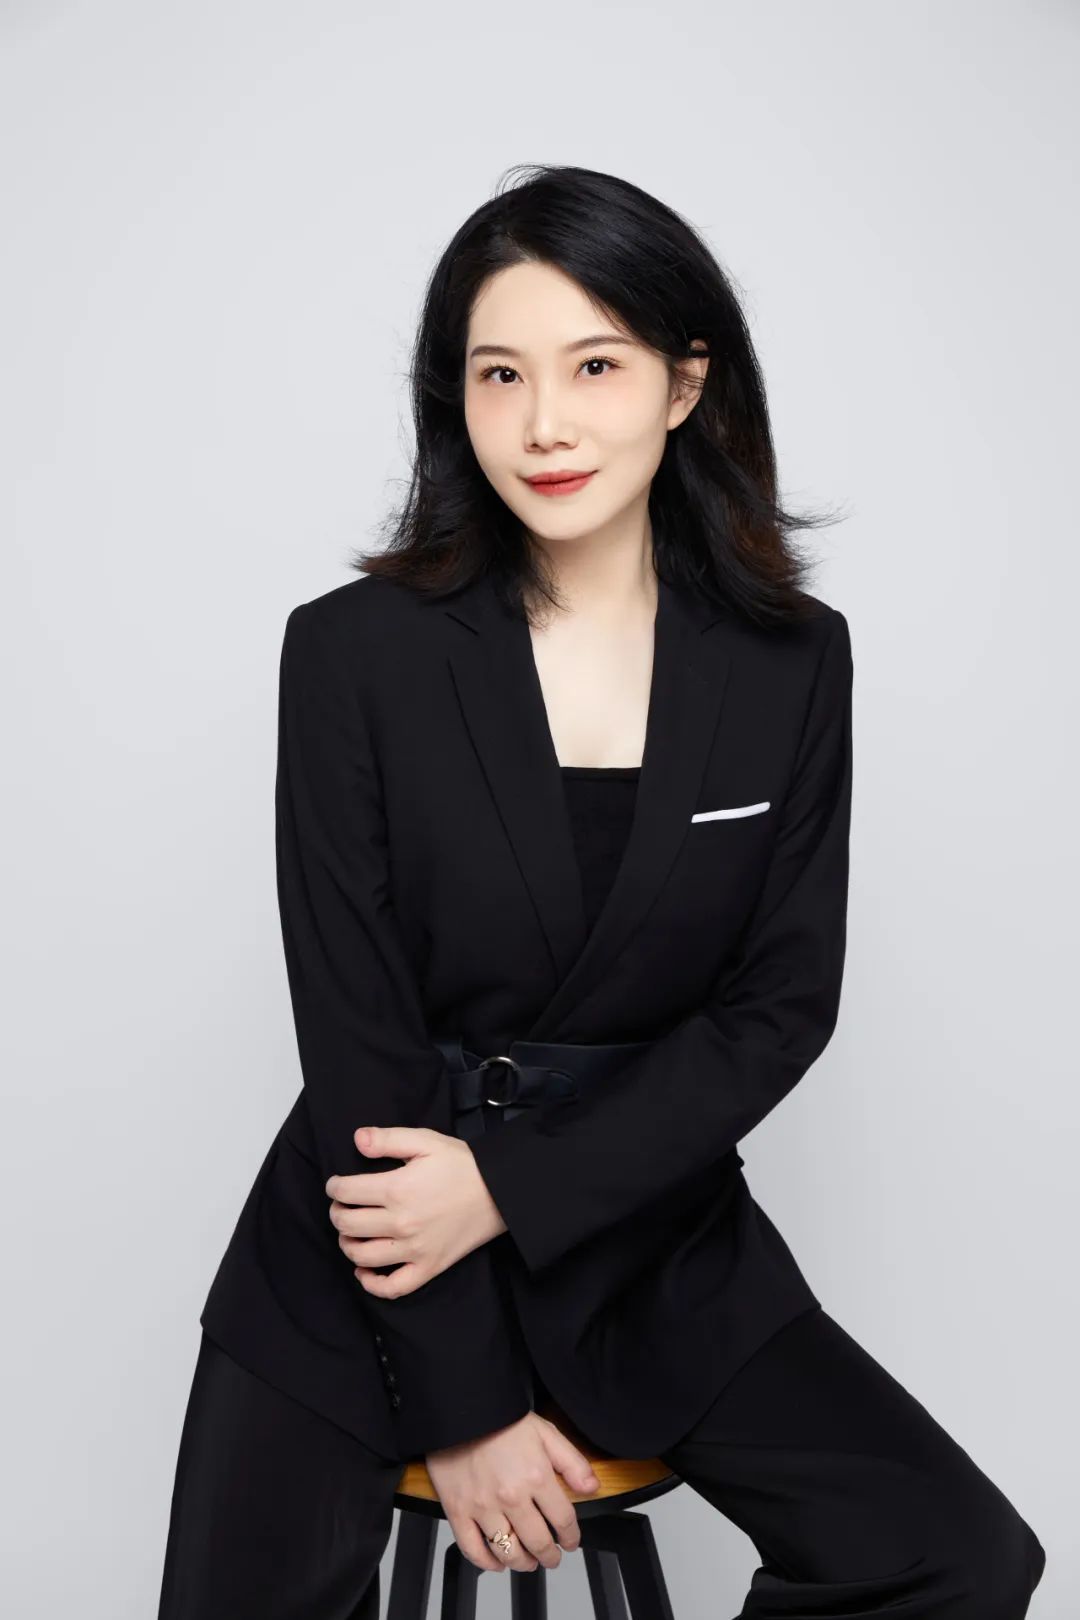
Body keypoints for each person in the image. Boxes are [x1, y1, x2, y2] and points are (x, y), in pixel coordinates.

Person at [157, 163, 1046, 1618]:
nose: (545, 424)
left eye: (595, 366)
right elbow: (356, 1030)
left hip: (647, 1231)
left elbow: (778, 1009)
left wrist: (512, 1188)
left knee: (954, 1554)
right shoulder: (353, 652)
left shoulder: (790, 660)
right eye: (499, 374)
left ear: (686, 383)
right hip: (376, 1231)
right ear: (455, 397)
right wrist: (464, 1404)